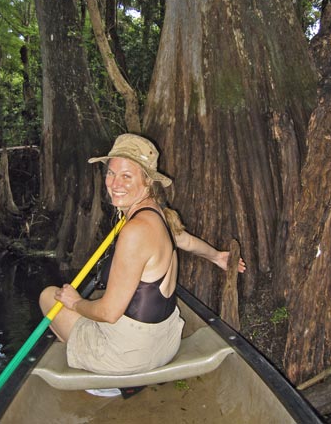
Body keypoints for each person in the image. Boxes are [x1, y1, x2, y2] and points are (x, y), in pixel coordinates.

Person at [39, 133, 245, 376]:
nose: (115, 184)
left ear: (147, 181)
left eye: (127, 176)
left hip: (130, 354)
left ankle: (105, 381)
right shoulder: (159, 213)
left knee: (49, 297)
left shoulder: (135, 231)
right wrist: (216, 257)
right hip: (166, 341)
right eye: (111, 173)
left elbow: (108, 312)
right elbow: (186, 241)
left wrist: (76, 302)